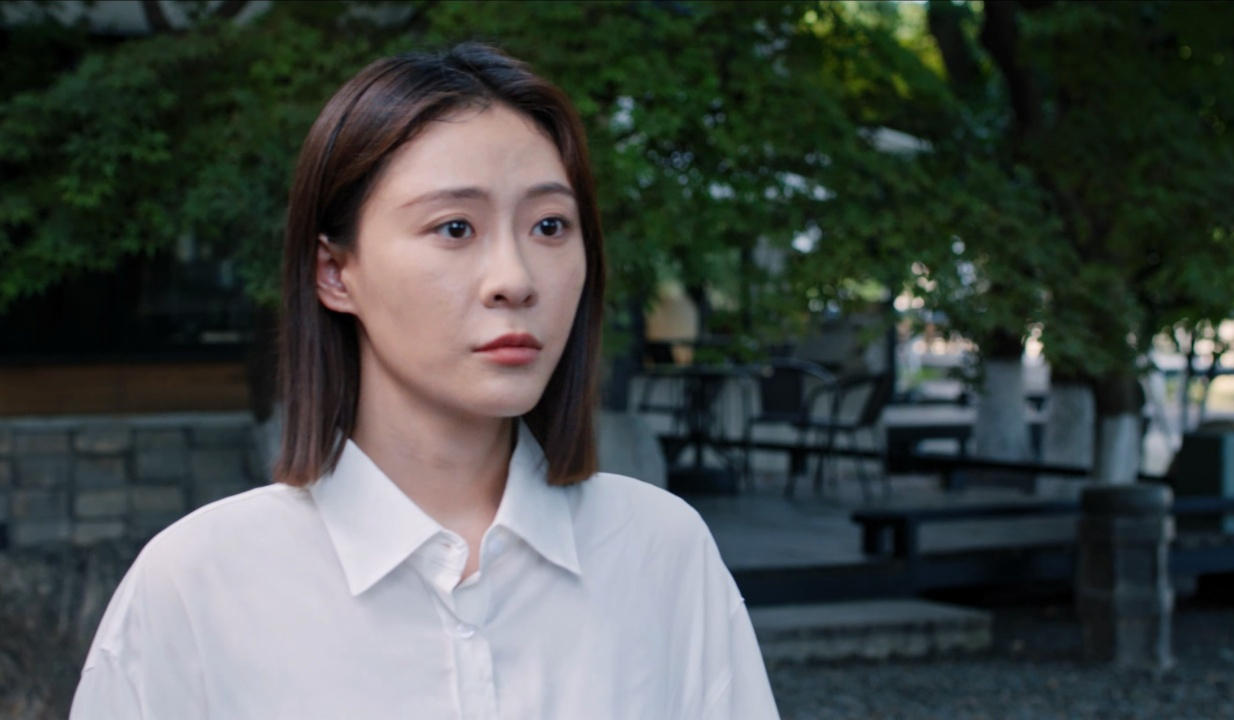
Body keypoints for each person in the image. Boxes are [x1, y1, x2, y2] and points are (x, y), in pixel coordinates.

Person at [69, 43, 779, 719]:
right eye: (455, 228)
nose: (515, 280)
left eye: (550, 226)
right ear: (335, 273)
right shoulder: (198, 586)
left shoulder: (659, 551)